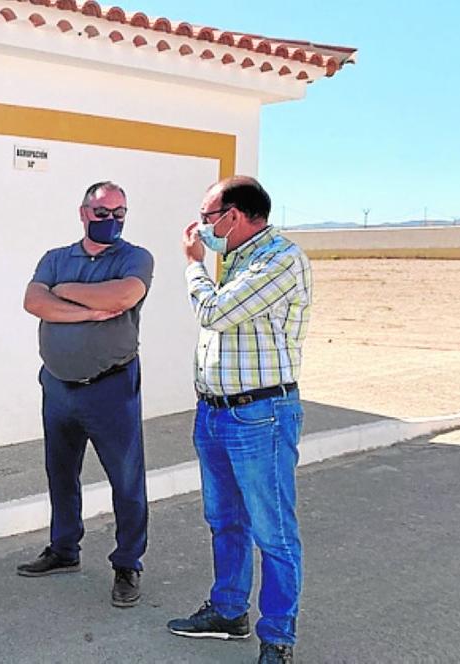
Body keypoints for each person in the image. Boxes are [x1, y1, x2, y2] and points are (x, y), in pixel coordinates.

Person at [168, 176, 311, 664]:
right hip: (215, 413)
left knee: (273, 532)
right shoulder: (238, 260)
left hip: (261, 415)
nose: (203, 227)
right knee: (225, 521)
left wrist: (193, 265)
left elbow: (213, 312)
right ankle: (229, 611)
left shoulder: (279, 260)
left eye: (209, 217)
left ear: (236, 215)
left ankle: (278, 637)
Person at [16, 181, 154, 609]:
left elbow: (124, 294)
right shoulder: (56, 257)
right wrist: (92, 310)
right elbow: (33, 302)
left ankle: (127, 564)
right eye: (101, 214)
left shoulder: (134, 257)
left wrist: (66, 290)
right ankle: (63, 549)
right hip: (58, 386)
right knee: (61, 473)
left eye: (119, 213)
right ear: (83, 213)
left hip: (110, 388)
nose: (110, 221)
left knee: (126, 480)